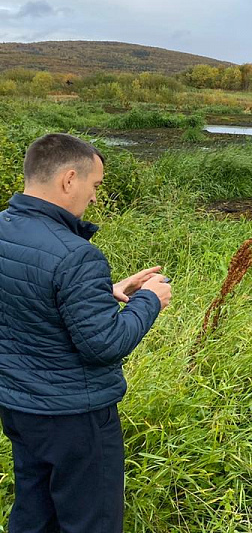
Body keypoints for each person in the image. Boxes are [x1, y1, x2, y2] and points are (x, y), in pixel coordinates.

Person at [0, 133, 172, 531]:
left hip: (18, 405)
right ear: (69, 179)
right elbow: (104, 345)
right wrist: (150, 300)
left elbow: (23, 297)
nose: (95, 198)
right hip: (75, 416)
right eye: (94, 186)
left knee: (33, 510)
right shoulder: (76, 254)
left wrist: (102, 294)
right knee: (91, 521)